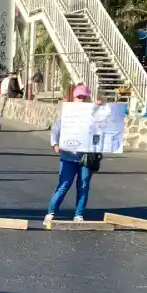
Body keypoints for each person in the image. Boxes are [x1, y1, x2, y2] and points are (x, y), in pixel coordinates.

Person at [44, 84, 103, 223]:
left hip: (86, 157)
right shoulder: (67, 114)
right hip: (68, 156)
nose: (81, 100)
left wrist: (101, 108)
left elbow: (106, 123)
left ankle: (79, 214)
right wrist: (55, 144)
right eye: (79, 97)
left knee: (83, 185)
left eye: (84, 97)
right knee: (64, 185)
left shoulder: (94, 115)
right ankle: (51, 212)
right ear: (74, 98)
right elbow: (56, 130)